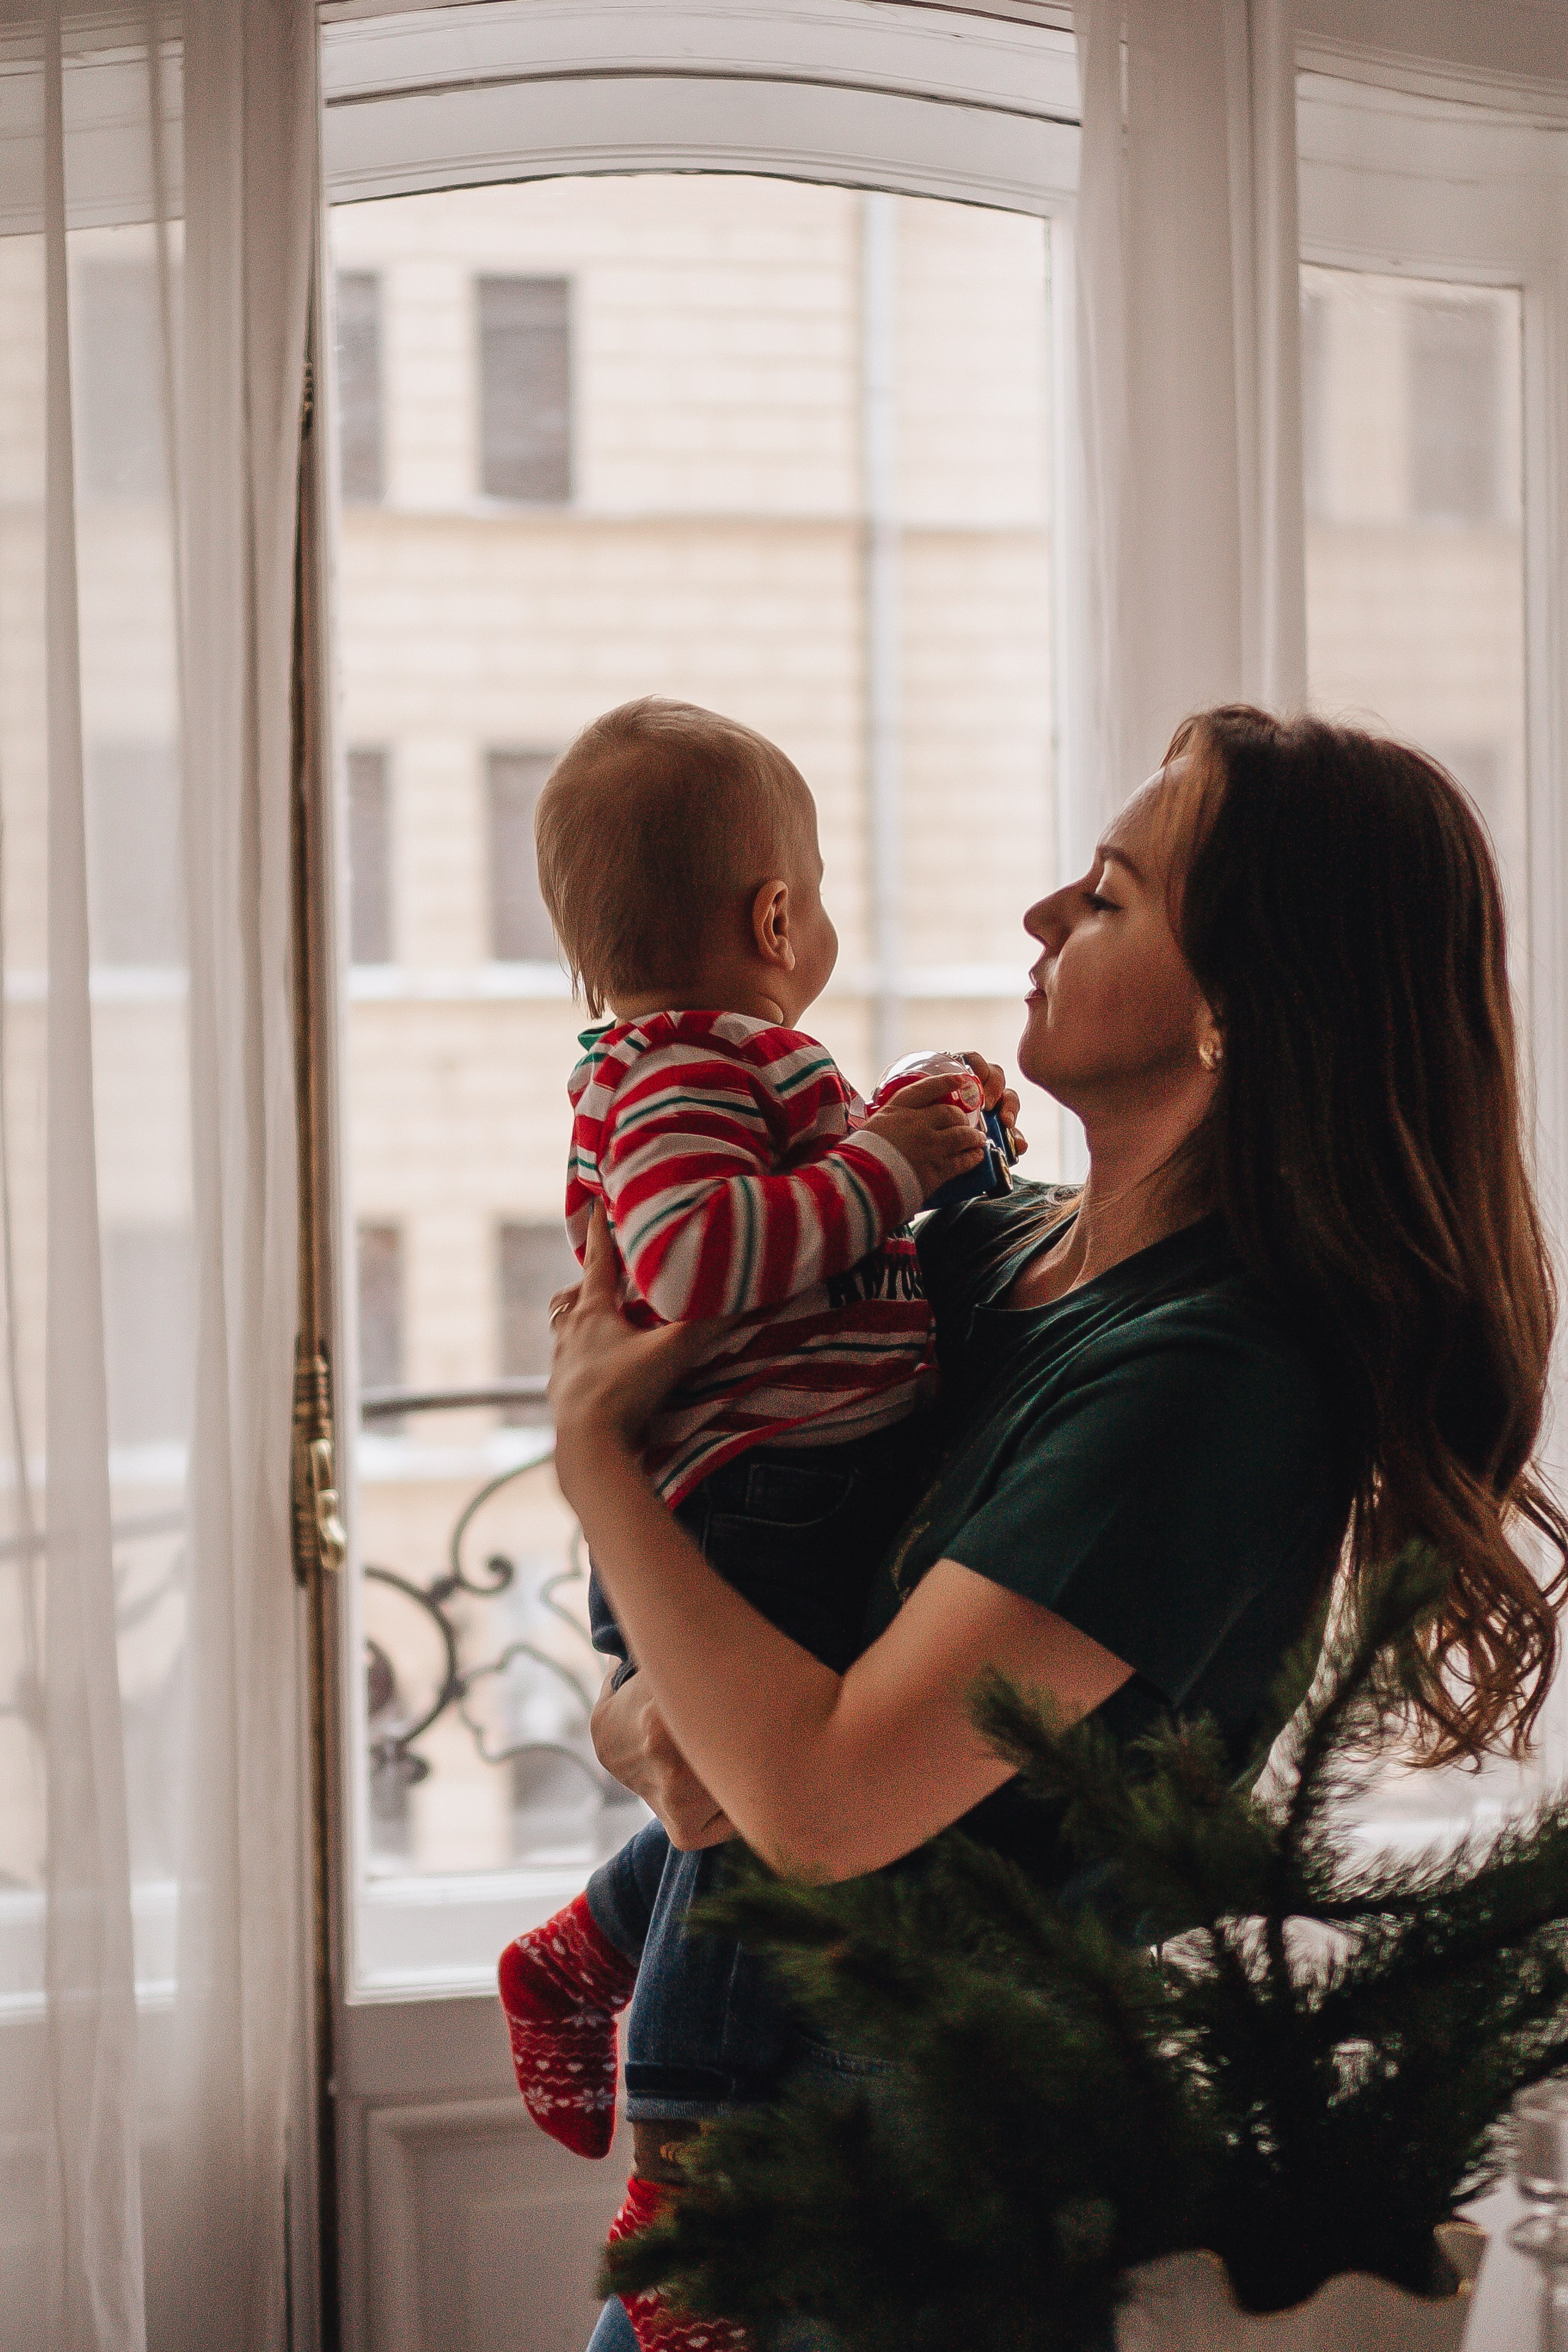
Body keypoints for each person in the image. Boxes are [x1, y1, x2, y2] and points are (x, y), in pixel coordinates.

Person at [551, 706, 1568, 2352]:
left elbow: (813, 1799)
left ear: (1239, 1005)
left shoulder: (1213, 1383)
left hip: (926, 2238)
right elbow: (700, 1664)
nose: (1038, 917)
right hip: (764, 2210)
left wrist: (593, 1450)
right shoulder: (956, 1258)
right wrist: (643, 1717)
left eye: (1106, 897)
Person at [495, 698, 1016, 2333]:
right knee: (746, 1816)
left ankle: (595, 1934)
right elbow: (702, 1263)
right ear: (776, 917)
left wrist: (935, 1133)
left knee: (739, 1787)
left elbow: (827, 1224)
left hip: (785, 1485)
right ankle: (689, 2185)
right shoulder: (667, 1073)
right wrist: (888, 1166)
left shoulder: (737, 1067)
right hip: (739, 1502)